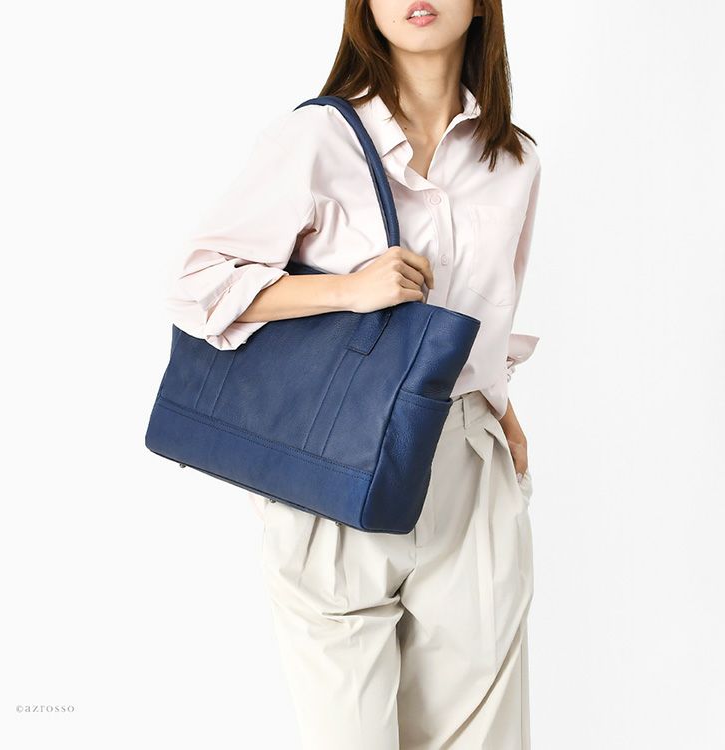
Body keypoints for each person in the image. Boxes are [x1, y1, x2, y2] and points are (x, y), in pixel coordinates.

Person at [165, 1, 541, 747]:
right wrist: (348, 289)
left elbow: (494, 307)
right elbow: (197, 285)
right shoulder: (318, 137)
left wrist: (503, 411)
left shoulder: (513, 158)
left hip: (467, 462)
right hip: (332, 470)